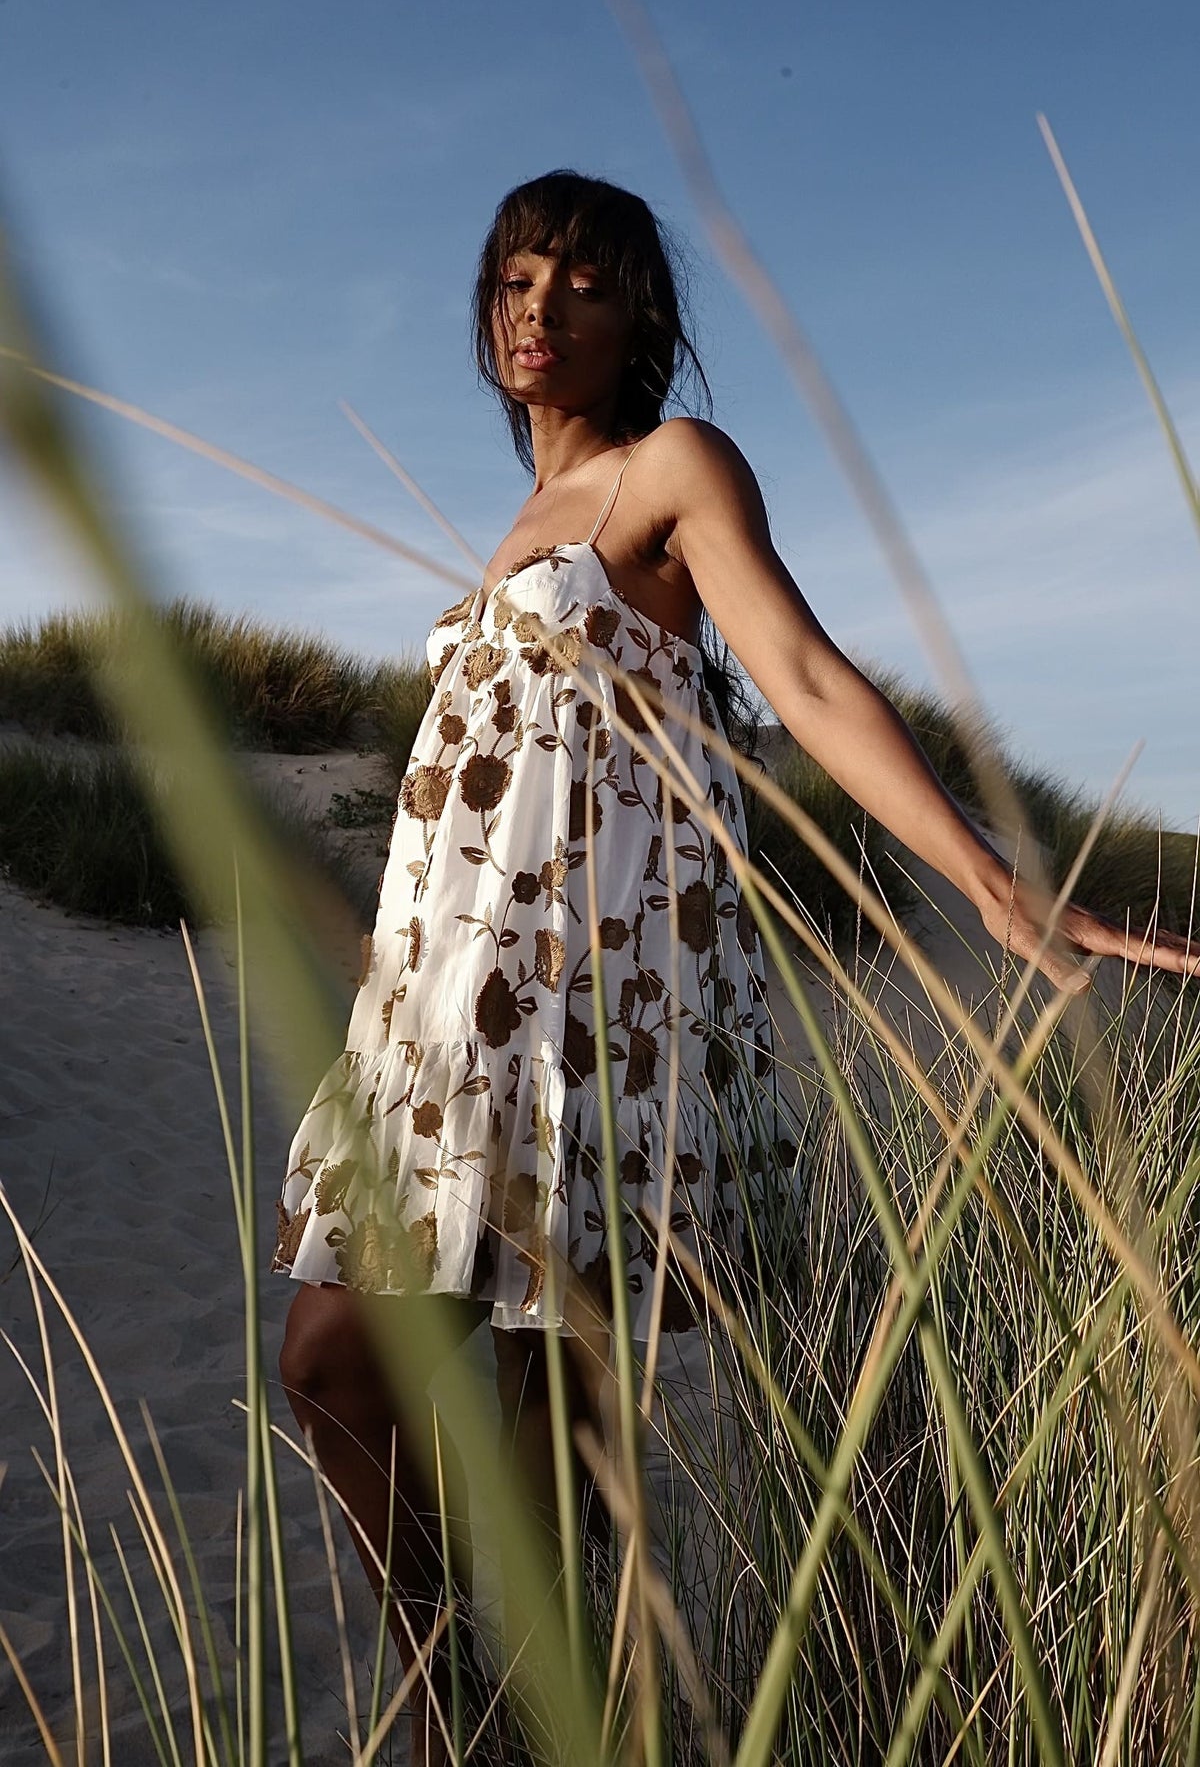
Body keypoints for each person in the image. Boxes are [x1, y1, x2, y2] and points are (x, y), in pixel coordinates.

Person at [271, 169, 1198, 1763]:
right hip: (444, 1016)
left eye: (582, 282)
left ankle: (534, 1730)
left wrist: (988, 879)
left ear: (642, 321)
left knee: (547, 1423)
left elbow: (806, 673)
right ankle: (453, 1696)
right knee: (334, 1358)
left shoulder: (671, 467)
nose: (539, 307)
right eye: (515, 276)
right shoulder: (514, 524)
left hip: (584, 1010)